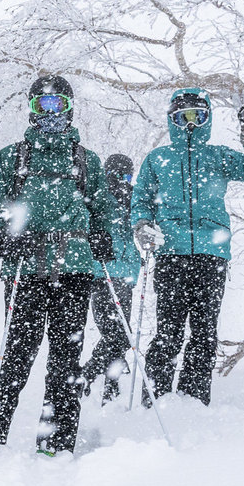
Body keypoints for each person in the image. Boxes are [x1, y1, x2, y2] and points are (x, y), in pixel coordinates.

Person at [0, 75, 115, 455]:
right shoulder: (12, 157)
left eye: (57, 105)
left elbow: (104, 210)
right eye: (42, 105)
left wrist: (103, 237)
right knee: (17, 355)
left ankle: (56, 441)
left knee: (65, 360)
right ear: (32, 110)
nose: (50, 113)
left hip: (74, 270)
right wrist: (2, 235)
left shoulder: (86, 160)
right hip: (27, 269)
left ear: (69, 109)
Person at [130, 89, 244, 405]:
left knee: (204, 334)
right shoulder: (159, 159)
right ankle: (155, 401)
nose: (191, 124)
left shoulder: (218, 156)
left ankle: (193, 400)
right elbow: (139, 198)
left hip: (211, 255)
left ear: (207, 119)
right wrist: (142, 225)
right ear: (173, 120)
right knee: (168, 333)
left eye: (199, 116)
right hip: (170, 254)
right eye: (184, 117)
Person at [80, 153, 142, 404]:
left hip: (125, 274)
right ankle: (87, 374)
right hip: (102, 272)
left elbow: (142, 222)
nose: (122, 181)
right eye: (116, 175)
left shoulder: (133, 197)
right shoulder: (98, 196)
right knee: (116, 334)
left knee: (120, 334)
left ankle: (111, 387)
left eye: (127, 176)